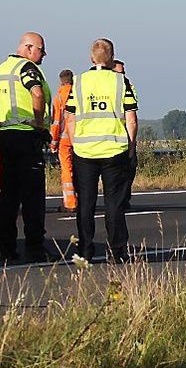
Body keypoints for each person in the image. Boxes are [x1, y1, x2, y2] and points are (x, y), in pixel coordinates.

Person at [66, 39, 138, 262]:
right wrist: (131, 145)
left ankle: (85, 250)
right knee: (114, 203)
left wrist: (75, 142)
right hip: (114, 149)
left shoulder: (78, 82)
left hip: (85, 151)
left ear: (91, 58)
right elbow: (131, 119)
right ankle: (117, 252)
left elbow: (69, 116)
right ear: (112, 57)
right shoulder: (121, 82)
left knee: (86, 204)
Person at [0, 32, 52, 262]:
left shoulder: (1, 69)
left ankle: (7, 247)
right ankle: (35, 248)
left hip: (6, 135)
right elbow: (37, 92)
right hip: (26, 136)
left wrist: (3, 116)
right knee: (33, 196)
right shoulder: (26, 68)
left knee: (9, 195)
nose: (44, 54)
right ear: (29, 47)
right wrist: (39, 125)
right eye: (41, 50)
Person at [48, 69, 77, 213]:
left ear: (61, 81)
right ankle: (81, 199)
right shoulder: (80, 94)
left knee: (67, 170)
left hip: (65, 140)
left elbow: (56, 121)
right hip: (80, 138)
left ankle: (70, 202)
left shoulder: (59, 97)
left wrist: (53, 141)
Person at [113, 59, 137, 213]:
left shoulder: (127, 86)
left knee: (131, 167)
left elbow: (132, 114)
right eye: (119, 72)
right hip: (112, 135)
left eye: (123, 72)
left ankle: (124, 198)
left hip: (125, 133)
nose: (122, 75)